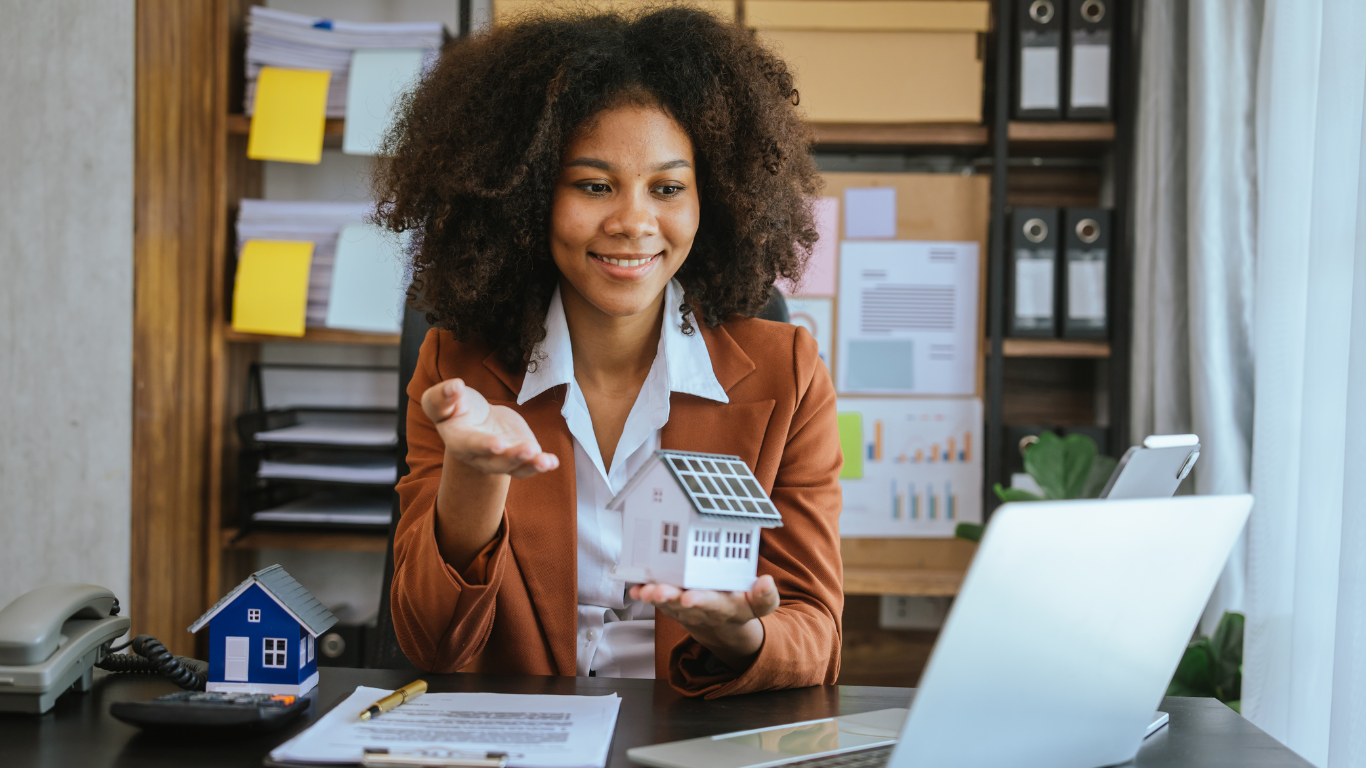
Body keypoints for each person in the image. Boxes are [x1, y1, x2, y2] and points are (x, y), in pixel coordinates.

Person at [376, 5, 843, 698]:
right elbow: (431, 642)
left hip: (692, 737)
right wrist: (472, 476)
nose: (633, 222)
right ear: (528, 197)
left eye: (668, 188)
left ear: (712, 199)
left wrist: (737, 635)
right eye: (593, 185)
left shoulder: (789, 374)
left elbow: (816, 636)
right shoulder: (458, 373)